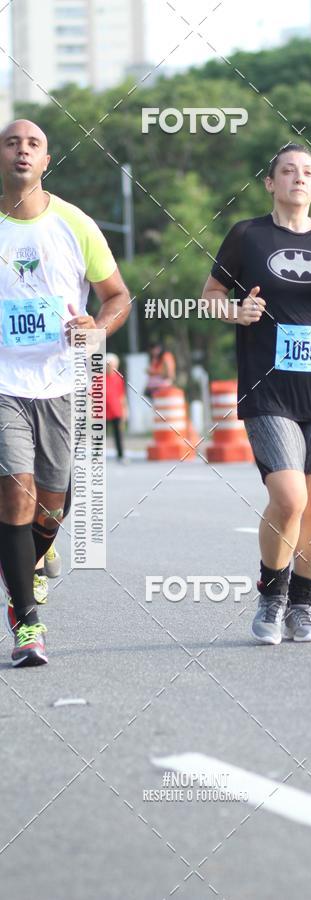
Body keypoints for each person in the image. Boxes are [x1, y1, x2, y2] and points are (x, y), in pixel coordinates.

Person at [202, 143, 311, 645]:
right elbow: (210, 297)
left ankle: (302, 607)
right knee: (290, 497)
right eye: (287, 171)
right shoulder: (247, 236)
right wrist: (235, 313)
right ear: (270, 183)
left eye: (308, 173)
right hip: (268, 387)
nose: (298, 178)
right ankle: (271, 597)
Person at [0, 119, 130, 666]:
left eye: (33, 144)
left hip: (60, 384)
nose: (22, 150)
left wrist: (99, 328)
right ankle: (27, 623)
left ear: (46, 160)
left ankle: (29, 561)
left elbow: (117, 296)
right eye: (11, 142)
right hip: (3, 383)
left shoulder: (75, 224)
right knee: (16, 493)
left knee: (54, 503)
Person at [105, 353, 128, 462]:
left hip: (116, 410)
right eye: (109, 365)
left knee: (118, 434)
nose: (111, 367)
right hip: (103, 411)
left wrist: (125, 410)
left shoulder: (118, 378)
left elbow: (122, 395)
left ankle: (121, 455)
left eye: (113, 365)